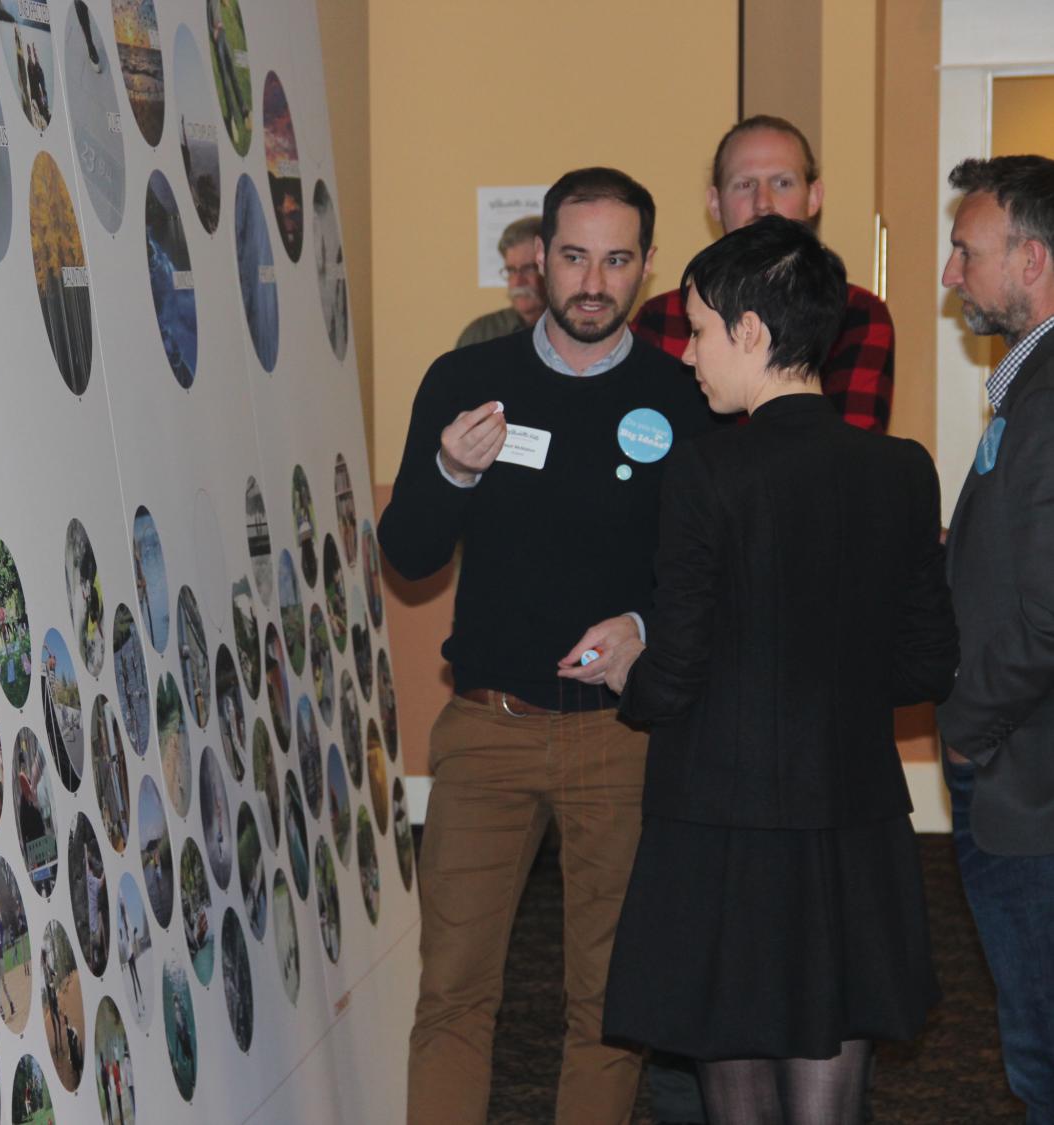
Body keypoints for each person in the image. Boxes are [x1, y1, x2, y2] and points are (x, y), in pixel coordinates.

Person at [588, 216, 957, 1124]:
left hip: (722, 818)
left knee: (739, 1078)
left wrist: (626, 669)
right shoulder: (903, 470)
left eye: (702, 330)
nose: (689, 356)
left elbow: (673, 675)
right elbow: (926, 661)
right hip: (853, 808)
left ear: (752, 333)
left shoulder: (709, 472)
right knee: (831, 1078)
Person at [381, 166, 715, 1125]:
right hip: (487, 729)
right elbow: (406, 556)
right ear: (539, 258)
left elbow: (705, 570)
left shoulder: (682, 394)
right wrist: (449, 467)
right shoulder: (467, 380)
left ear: (648, 267)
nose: (592, 283)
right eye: (574, 257)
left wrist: (645, 627)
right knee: (452, 992)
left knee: (610, 1006)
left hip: (623, 737)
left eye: (616, 260)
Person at [937, 154, 1054, 1123]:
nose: (949, 273)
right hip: (1022, 762)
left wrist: (971, 726)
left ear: (1034, 261)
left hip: (1028, 774)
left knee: (1041, 1043)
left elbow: (1050, 608)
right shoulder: (1030, 390)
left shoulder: (1050, 399)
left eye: (965, 250)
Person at [632, 114, 894, 434]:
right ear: (715, 204)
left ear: (814, 197)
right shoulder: (664, 317)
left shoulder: (855, 314)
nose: (763, 204)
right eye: (745, 185)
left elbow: (850, 451)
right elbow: (651, 436)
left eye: (782, 183)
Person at [457, 215, 548, 348]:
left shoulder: (574, 329)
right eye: (511, 270)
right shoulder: (481, 334)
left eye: (528, 269)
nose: (517, 282)